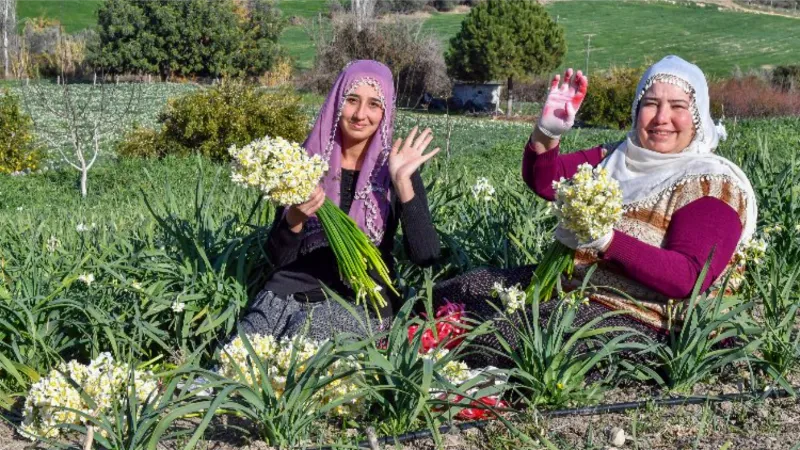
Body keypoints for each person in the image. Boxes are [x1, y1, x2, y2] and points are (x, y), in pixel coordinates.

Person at [433, 55, 757, 367]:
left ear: (698, 116)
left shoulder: (711, 184)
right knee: (458, 292)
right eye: (651, 104)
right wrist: (548, 133)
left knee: (497, 338)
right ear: (636, 110)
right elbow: (546, 182)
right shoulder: (616, 157)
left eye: (678, 107)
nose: (661, 118)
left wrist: (606, 242)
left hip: (641, 320)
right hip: (575, 288)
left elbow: (688, 277)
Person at [238, 60, 441, 341]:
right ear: (336, 102)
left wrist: (404, 183)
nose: (360, 114)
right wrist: (296, 216)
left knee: (302, 341)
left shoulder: (393, 169)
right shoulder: (303, 164)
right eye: (352, 100)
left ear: (386, 111)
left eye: (374, 104)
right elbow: (278, 258)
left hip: (362, 299)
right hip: (291, 291)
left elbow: (426, 255)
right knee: (238, 352)